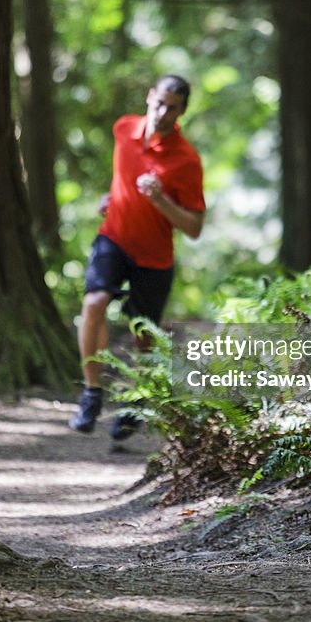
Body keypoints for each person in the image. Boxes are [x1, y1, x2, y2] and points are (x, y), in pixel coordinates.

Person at [69, 75, 205, 436]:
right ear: (149, 97)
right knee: (94, 303)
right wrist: (111, 197)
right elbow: (121, 176)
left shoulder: (186, 161)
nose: (162, 112)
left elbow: (194, 228)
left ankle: (134, 403)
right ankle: (92, 392)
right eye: (159, 102)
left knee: (143, 337)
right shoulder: (123, 129)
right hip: (113, 237)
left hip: (155, 256)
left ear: (182, 111)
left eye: (172, 108)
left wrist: (159, 200)